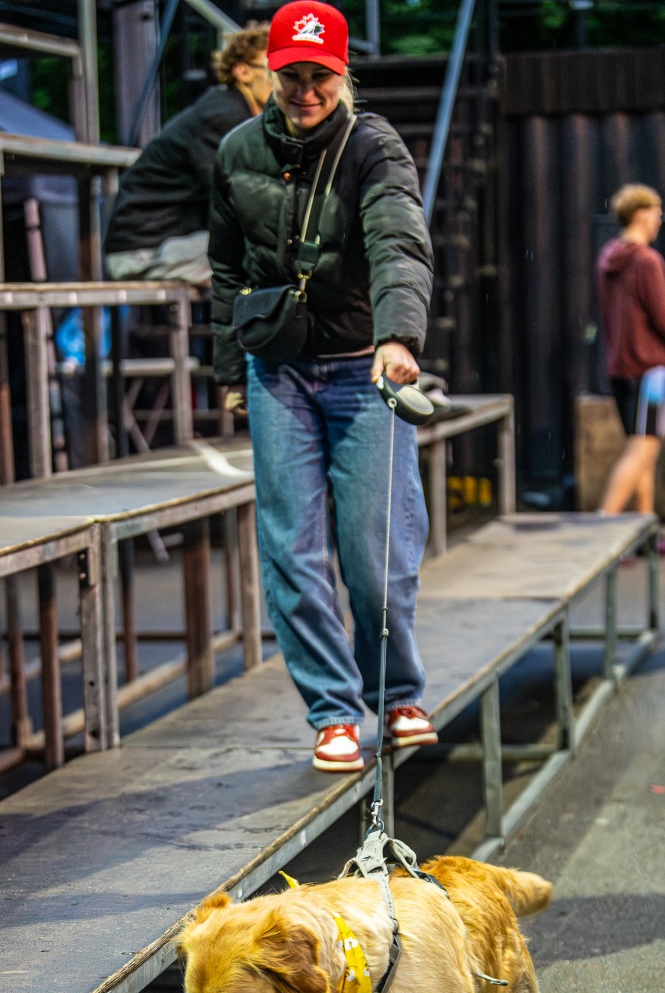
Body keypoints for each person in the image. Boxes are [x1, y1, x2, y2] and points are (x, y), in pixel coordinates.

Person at [209, 0, 437, 772]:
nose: (306, 91)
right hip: (276, 369)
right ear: (269, 74)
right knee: (291, 548)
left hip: (361, 366)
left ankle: (398, 694)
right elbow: (226, 271)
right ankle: (333, 711)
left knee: (377, 547)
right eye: (292, 76)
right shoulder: (237, 150)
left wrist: (399, 335)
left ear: (344, 75)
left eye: (321, 76)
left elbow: (398, 240)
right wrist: (229, 372)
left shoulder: (373, 145)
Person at [103, 24, 271, 285]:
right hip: (145, 251)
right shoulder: (223, 118)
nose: (287, 83)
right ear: (243, 72)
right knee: (273, 252)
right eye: (277, 71)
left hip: (173, 242)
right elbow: (239, 199)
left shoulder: (231, 112)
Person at [596, 184, 665, 548]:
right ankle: (601, 531)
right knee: (643, 451)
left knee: (641, 451)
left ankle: (645, 531)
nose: (660, 219)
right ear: (640, 215)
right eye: (656, 212)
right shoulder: (647, 261)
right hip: (649, 370)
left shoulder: (608, 258)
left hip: (619, 369)